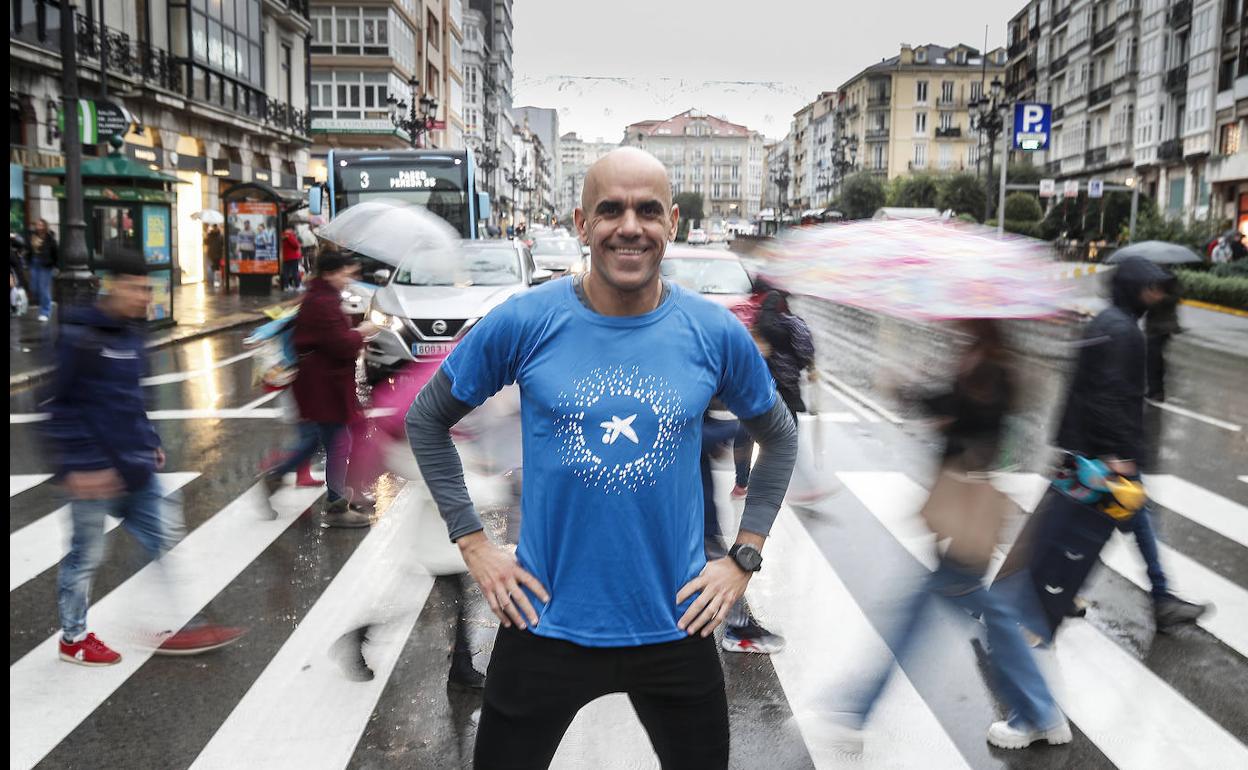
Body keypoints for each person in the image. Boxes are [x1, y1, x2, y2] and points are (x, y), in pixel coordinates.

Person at [406, 147, 798, 769]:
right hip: (544, 623)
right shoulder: (525, 321)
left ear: (672, 223)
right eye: (610, 209)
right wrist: (475, 546)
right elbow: (427, 419)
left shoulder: (713, 331)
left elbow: (781, 436)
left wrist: (743, 558)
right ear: (582, 224)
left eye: (647, 210)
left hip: (676, 626)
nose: (629, 226)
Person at [832, 319, 1069, 751]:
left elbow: (973, 418)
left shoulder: (991, 367)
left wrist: (916, 394)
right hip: (965, 508)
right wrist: (922, 394)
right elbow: (959, 409)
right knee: (989, 614)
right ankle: (1040, 711)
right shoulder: (985, 357)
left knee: (915, 617)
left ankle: (853, 713)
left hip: (967, 509)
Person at [42, 252, 243, 665]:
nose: (143, 297)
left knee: (163, 540)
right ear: (110, 284)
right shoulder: (80, 336)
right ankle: (73, 638)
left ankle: (181, 627)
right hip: (92, 474)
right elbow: (58, 406)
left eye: (147, 288)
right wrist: (79, 466)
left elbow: (134, 398)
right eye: (136, 288)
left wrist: (149, 439)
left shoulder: (134, 335)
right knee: (86, 555)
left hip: (135, 468)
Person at [1017, 256, 1206, 644]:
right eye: (1150, 287)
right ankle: (1159, 598)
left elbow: (1086, 389)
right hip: (1106, 455)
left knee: (1104, 524)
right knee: (1102, 525)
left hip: (1085, 447)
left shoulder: (1106, 322)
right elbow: (1109, 397)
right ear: (1135, 288)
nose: (1156, 295)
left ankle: (1153, 594)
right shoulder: (1125, 333)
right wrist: (1117, 456)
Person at [262, 247, 377, 526]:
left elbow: (331, 337)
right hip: (323, 386)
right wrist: (361, 333)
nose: (346, 280)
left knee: (318, 440)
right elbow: (339, 344)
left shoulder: (322, 297)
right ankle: (337, 505)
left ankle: (279, 476)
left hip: (323, 384)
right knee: (339, 441)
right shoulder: (321, 302)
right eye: (342, 274)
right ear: (329, 273)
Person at [732, 286, 815, 499]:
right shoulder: (796, 326)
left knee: (745, 437)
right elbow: (806, 354)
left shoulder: (758, 323)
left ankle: (742, 483)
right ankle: (800, 486)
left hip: (759, 391)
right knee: (788, 441)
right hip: (787, 391)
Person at [28, 218, 57, 322]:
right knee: (34, 287)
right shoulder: (32, 236)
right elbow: (28, 249)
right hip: (34, 263)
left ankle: (45, 312)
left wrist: (54, 265)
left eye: (41, 224)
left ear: (45, 226)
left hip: (46, 265)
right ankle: (44, 306)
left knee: (44, 289)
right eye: (37, 224)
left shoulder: (49, 238)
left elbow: (55, 252)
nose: (39, 226)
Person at [280, 226, 302, 291]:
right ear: (290, 229)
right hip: (293, 257)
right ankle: (297, 286)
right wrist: (297, 242)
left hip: (286, 257)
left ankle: (286, 286)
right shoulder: (289, 235)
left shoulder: (283, 236)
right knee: (295, 272)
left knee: (286, 272)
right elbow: (295, 245)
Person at [204, 224, 223, 290]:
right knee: (212, 268)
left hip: (217, 255)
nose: (215, 229)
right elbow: (206, 242)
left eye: (216, 228)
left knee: (216, 269)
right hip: (211, 254)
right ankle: (211, 281)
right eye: (214, 228)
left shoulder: (220, 236)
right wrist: (207, 234)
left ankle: (216, 282)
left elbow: (222, 245)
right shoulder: (210, 235)